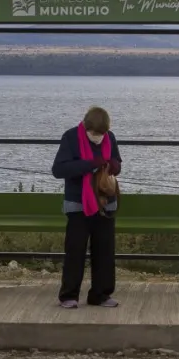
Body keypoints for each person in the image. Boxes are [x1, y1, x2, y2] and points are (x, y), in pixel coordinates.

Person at [51, 106, 123, 309]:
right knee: (75, 251)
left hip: (105, 203)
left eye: (101, 134)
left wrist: (115, 165)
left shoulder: (110, 138)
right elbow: (59, 169)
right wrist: (89, 164)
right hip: (78, 204)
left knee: (105, 251)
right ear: (85, 127)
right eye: (93, 134)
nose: (97, 138)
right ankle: (69, 295)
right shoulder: (70, 138)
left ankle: (101, 294)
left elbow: (116, 160)